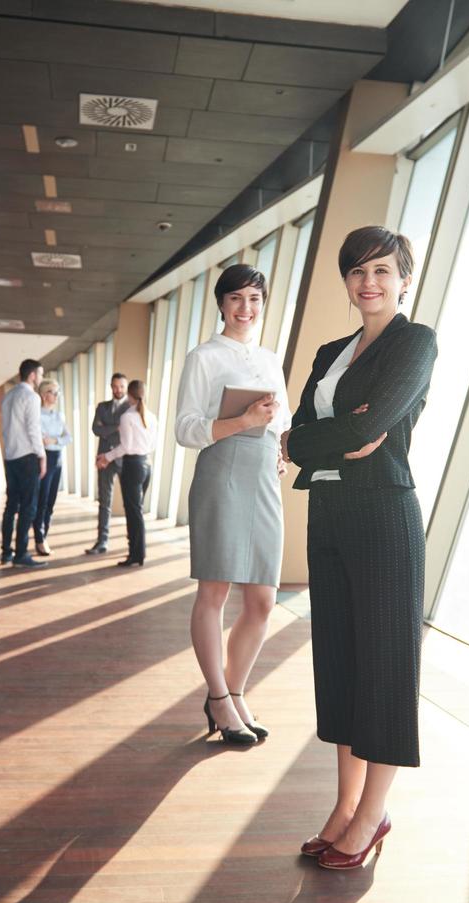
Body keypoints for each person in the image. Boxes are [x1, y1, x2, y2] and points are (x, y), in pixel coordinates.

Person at [282, 226, 437, 870]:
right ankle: (344, 808)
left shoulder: (415, 343)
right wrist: (328, 438)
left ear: (404, 278)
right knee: (341, 664)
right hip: (331, 513)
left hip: (383, 516)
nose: (368, 282)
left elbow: (369, 429)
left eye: (381, 270)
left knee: (385, 669)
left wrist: (335, 436)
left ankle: (373, 815)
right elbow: (297, 433)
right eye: (357, 272)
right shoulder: (330, 351)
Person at [174, 264, 290, 747]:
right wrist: (242, 421)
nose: (246, 308)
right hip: (222, 471)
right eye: (237, 298)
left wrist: (281, 451)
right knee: (216, 592)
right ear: (221, 303)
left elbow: (278, 416)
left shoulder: (270, 358)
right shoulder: (204, 356)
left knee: (262, 598)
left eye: (255, 300)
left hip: (264, 473)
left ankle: (236, 690)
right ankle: (219, 699)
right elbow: (185, 429)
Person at [96, 380, 155, 568]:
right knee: (137, 511)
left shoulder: (127, 416)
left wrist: (107, 456)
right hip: (146, 465)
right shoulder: (152, 416)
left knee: (133, 512)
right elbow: (152, 445)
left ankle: (135, 555)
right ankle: (138, 553)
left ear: (130, 395)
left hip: (132, 466)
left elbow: (126, 447)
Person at [0, 359, 49, 570]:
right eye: (40, 374)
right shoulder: (31, 397)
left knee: (11, 506)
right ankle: (21, 554)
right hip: (27, 457)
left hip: (10, 457)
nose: (41, 378)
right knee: (28, 507)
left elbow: (7, 428)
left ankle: (6, 553)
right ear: (32, 375)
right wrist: (42, 455)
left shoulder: (9, 395)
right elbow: (33, 429)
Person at [86, 373, 130, 555]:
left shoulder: (132, 408)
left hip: (124, 458)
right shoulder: (102, 407)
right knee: (104, 502)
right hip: (103, 459)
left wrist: (107, 429)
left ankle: (132, 543)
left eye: (121, 386)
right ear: (111, 386)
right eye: (114, 386)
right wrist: (116, 427)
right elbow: (96, 429)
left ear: (126, 387)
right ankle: (102, 541)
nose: (117, 390)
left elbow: (127, 431)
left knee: (130, 503)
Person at [32, 379, 71, 556]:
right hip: (44, 459)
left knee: (51, 502)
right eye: (52, 392)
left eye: (57, 393)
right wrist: (55, 440)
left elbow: (68, 438)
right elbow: (41, 440)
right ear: (43, 395)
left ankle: (43, 536)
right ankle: (39, 539)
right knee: (42, 500)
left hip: (57, 460)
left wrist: (54, 440)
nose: (56, 396)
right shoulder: (36, 415)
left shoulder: (59, 415)